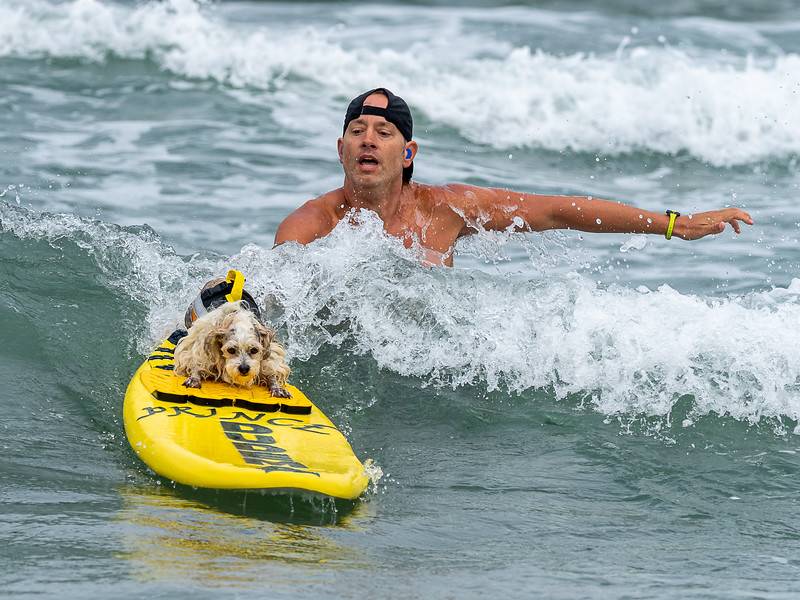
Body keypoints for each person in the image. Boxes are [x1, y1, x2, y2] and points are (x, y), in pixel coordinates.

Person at [274, 87, 753, 267]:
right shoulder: (314, 222)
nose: (368, 140)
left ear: (408, 153)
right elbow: (275, 287)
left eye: (383, 131)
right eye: (356, 131)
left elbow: (557, 210)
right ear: (341, 150)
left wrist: (677, 224)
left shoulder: (446, 207)